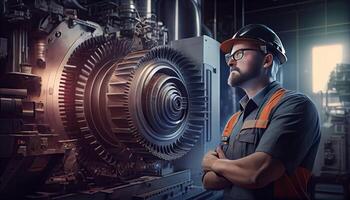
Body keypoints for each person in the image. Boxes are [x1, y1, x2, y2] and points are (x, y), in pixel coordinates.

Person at [201, 24, 321, 199]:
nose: (230, 61)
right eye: (229, 56)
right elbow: (207, 180)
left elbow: (258, 173)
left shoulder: (296, 106)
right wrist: (235, 170)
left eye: (239, 54)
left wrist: (215, 163)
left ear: (267, 60)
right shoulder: (234, 120)